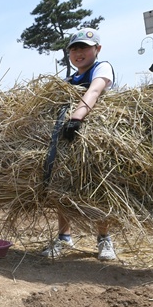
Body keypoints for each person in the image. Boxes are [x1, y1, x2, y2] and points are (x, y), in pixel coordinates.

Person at [41, 27, 117, 261]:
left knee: (98, 188)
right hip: (68, 139)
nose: (78, 53)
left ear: (97, 49)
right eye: (74, 49)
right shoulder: (68, 80)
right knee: (62, 188)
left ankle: (104, 239)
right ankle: (64, 238)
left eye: (84, 47)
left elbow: (94, 91)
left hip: (95, 139)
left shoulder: (102, 68)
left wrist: (76, 118)